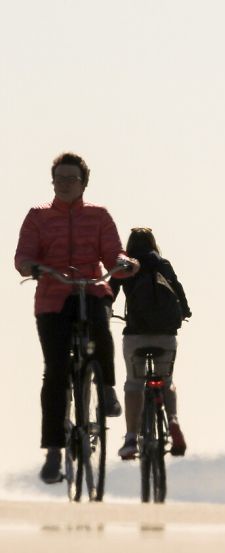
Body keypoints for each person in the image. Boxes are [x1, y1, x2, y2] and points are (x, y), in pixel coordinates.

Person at [14, 152, 139, 483]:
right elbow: (23, 255)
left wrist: (125, 262)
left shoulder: (98, 216)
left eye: (72, 179)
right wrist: (31, 266)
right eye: (60, 179)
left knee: (101, 326)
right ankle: (54, 451)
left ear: (84, 183)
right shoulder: (37, 217)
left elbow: (113, 253)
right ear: (52, 181)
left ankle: (107, 390)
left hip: (90, 289)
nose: (65, 184)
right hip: (52, 299)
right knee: (55, 372)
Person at [110, 228, 192, 459]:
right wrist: (185, 311)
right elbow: (177, 288)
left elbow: (111, 293)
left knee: (134, 384)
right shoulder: (162, 264)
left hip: (135, 335)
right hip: (165, 335)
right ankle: (173, 421)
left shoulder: (126, 266)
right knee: (166, 380)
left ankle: (131, 439)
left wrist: (105, 311)